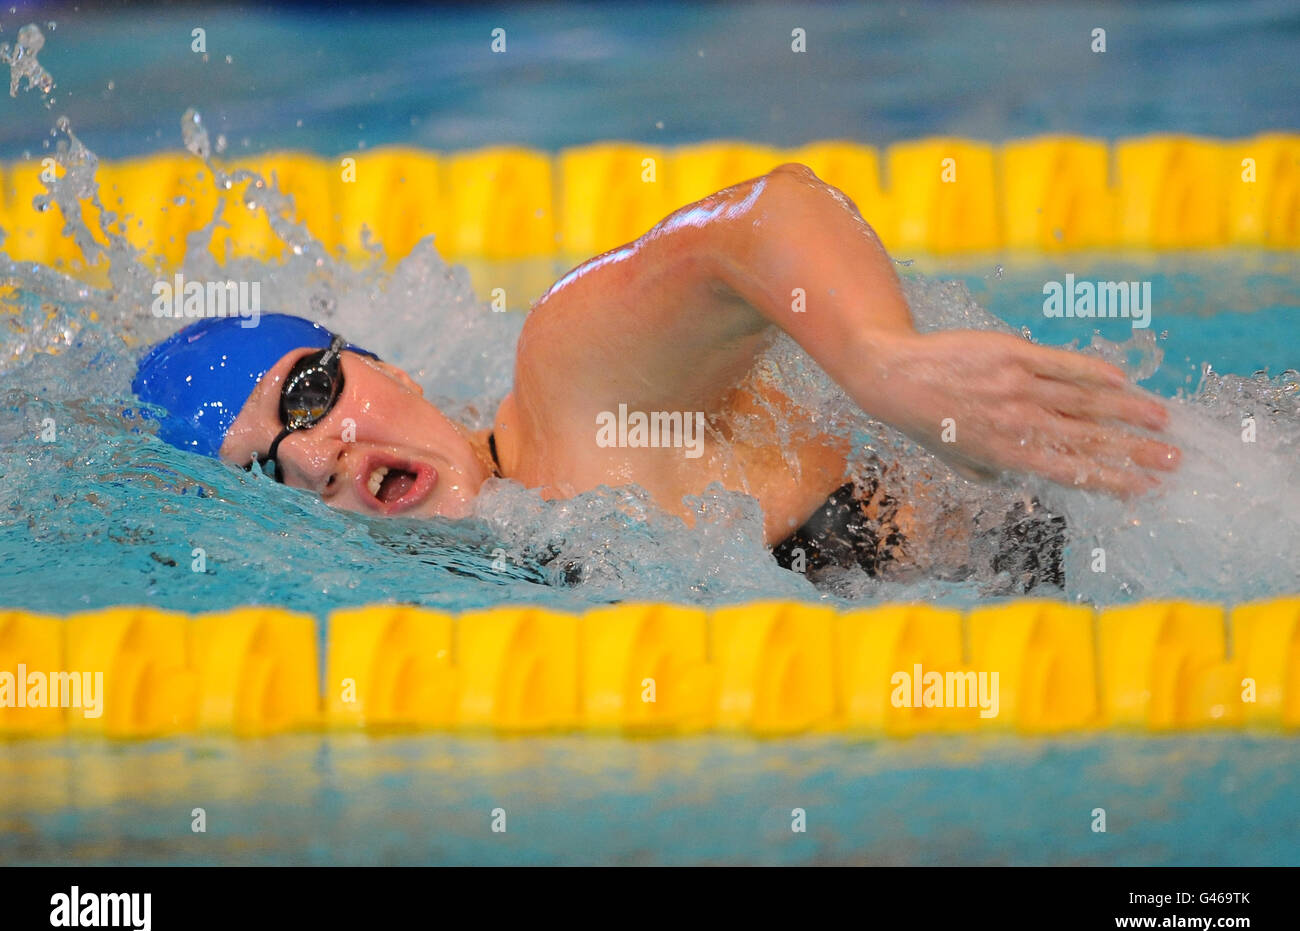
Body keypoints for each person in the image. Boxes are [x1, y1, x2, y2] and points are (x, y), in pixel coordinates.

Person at [132, 163, 1179, 587]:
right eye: (273, 467)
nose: (318, 452)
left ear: (385, 366)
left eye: (307, 395)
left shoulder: (569, 394)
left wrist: (880, 362)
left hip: (1158, 510)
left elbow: (757, 219)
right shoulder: (519, 569)